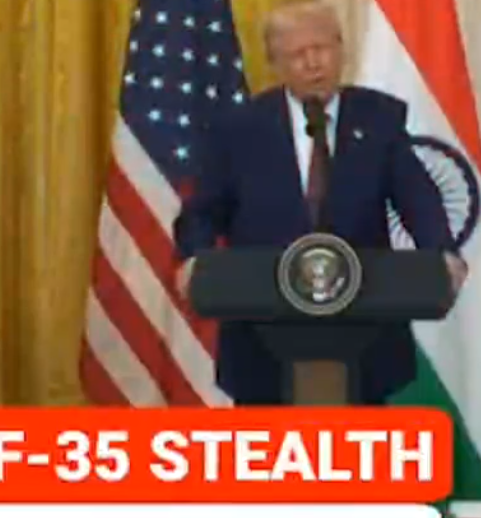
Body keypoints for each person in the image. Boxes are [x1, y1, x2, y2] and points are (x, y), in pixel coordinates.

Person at [173, 0, 466, 409]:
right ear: (275, 63)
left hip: (362, 330)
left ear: (341, 48)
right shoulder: (240, 129)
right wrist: (193, 256)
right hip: (263, 335)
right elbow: (203, 211)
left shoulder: (379, 118)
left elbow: (417, 196)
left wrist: (442, 251)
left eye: (322, 48)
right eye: (298, 54)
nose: (314, 63)